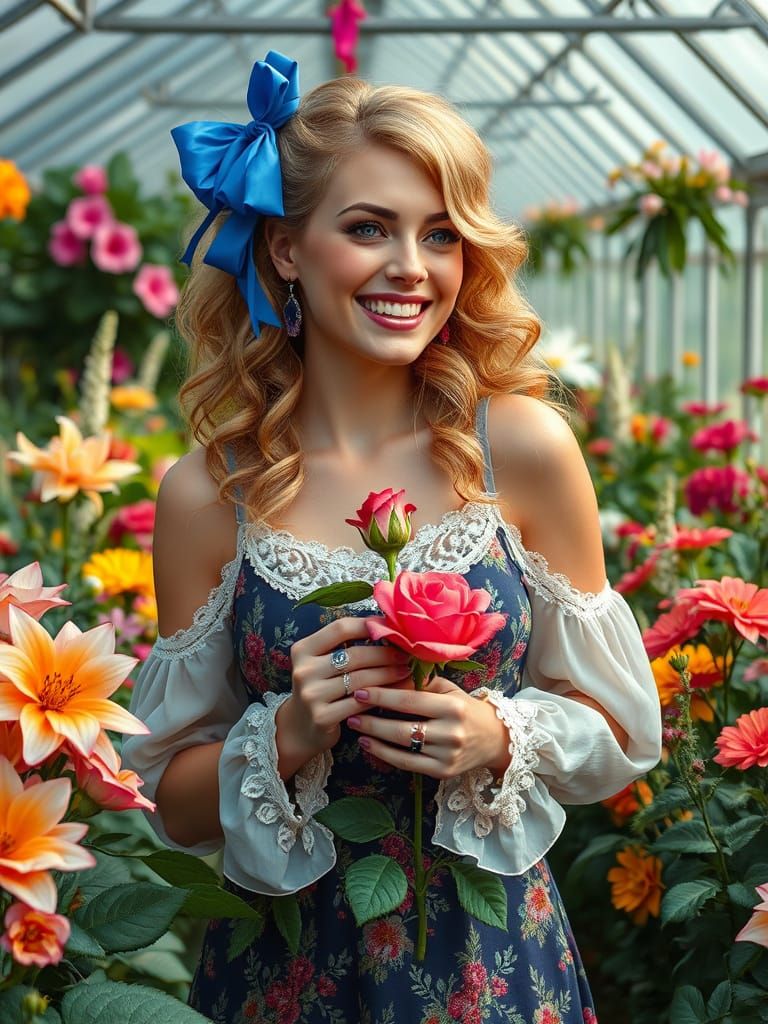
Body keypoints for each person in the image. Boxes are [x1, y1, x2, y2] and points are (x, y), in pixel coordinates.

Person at [123, 51, 661, 1024]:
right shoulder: (208, 494)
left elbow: (625, 730)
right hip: (283, 975)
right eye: (369, 227)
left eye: (442, 234)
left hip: (489, 969)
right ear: (286, 246)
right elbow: (168, 798)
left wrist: (501, 731)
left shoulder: (521, 450)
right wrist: (284, 732)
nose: (412, 267)